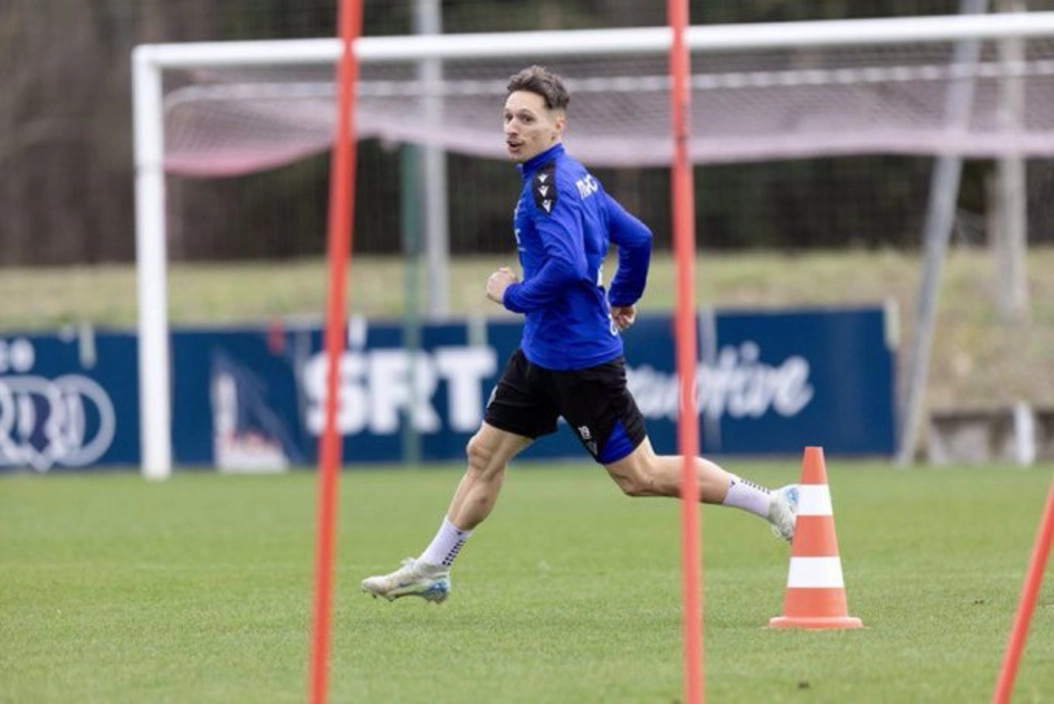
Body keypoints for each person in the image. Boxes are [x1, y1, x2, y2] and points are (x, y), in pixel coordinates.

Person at [361, 65, 798, 604]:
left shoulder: (549, 188)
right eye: (507, 117)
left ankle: (774, 502)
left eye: (527, 118)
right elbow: (636, 239)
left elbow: (568, 265)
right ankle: (434, 566)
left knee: (641, 476)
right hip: (540, 356)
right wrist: (622, 295)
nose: (512, 128)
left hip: (581, 362)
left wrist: (512, 295)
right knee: (484, 454)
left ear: (557, 126)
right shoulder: (576, 177)